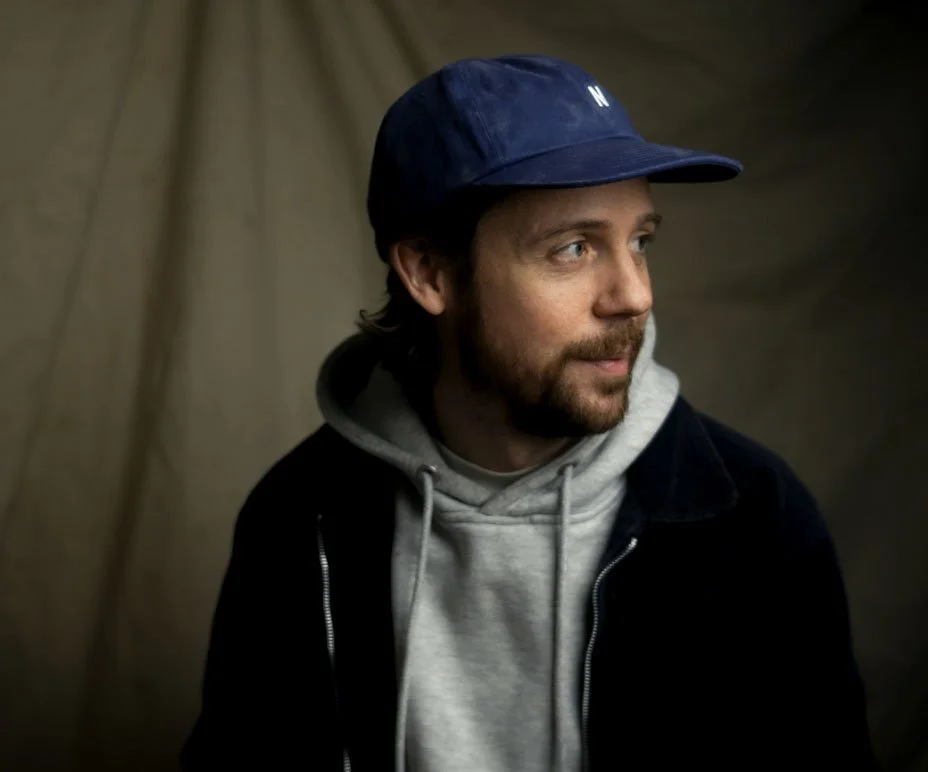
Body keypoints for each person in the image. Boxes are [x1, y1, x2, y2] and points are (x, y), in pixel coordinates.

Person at [181, 55, 875, 771]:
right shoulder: (302, 519)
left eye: (639, 241)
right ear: (428, 272)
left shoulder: (751, 517)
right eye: (574, 248)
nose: (634, 295)